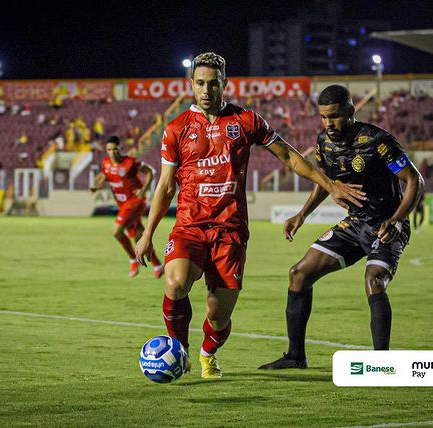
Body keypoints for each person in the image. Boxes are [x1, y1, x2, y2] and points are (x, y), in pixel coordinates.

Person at [134, 53, 365, 379]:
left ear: (225, 84)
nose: (206, 90)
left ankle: (207, 353)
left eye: (213, 84)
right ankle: (179, 351)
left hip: (230, 230)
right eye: (200, 83)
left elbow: (287, 155)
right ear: (191, 84)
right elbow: (165, 185)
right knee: (175, 284)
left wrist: (330, 185)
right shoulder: (176, 129)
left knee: (218, 315)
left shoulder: (246, 121)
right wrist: (147, 234)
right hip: (189, 224)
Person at [258, 84, 424, 370]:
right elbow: (327, 184)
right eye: (323, 117)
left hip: (385, 226)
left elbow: (415, 181)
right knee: (298, 274)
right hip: (355, 224)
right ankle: (296, 357)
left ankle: (381, 366)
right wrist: (302, 214)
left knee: (374, 281)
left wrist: (396, 220)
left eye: (334, 116)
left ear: (350, 111)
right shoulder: (325, 142)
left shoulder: (378, 141)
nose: (328, 124)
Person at [90, 135, 164, 279]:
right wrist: (97, 186)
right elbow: (107, 177)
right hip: (122, 204)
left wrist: (144, 190)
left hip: (135, 201)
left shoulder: (130, 162)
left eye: (115, 149)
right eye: (109, 150)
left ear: (120, 149)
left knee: (116, 231)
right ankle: (157, 265)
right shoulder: (106, 164)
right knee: (138, 236)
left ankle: (132, 260)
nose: (112, 153)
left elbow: (150, 172)